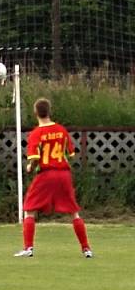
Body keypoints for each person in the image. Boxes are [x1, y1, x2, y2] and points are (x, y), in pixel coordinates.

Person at [15, 98, 93, 258]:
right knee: (73, 212)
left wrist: (30, 165)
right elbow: (70, 153)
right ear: (49, 111)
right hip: (63, 173)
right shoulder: (61, 129)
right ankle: (86, 249)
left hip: (46, 173)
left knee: (29, 209)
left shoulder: (36, 133)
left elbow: (35, 156)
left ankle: (28, 248)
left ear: (35, 112)